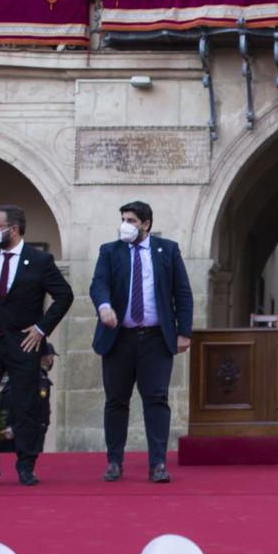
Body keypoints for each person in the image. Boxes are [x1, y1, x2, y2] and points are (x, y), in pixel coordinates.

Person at [0, 204, 75, 487]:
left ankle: (26, 465)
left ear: (12, 229)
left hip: (24, 343)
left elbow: (64, 295)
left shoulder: (39, 260)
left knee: (25, 404)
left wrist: (41, 329)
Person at [90, 200, 194, 484]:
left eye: (132, 220)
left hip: (156, 340)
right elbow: (98, 284)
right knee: (116, 401)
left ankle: (158, 464)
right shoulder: (110, 251)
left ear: (146, 224)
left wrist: (184, 331)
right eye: (123, 219)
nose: (126, 225)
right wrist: (103, 306)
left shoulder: (167, 251)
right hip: (118, 338)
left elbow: (182, 293)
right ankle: (114, 462)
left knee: (156, 399)